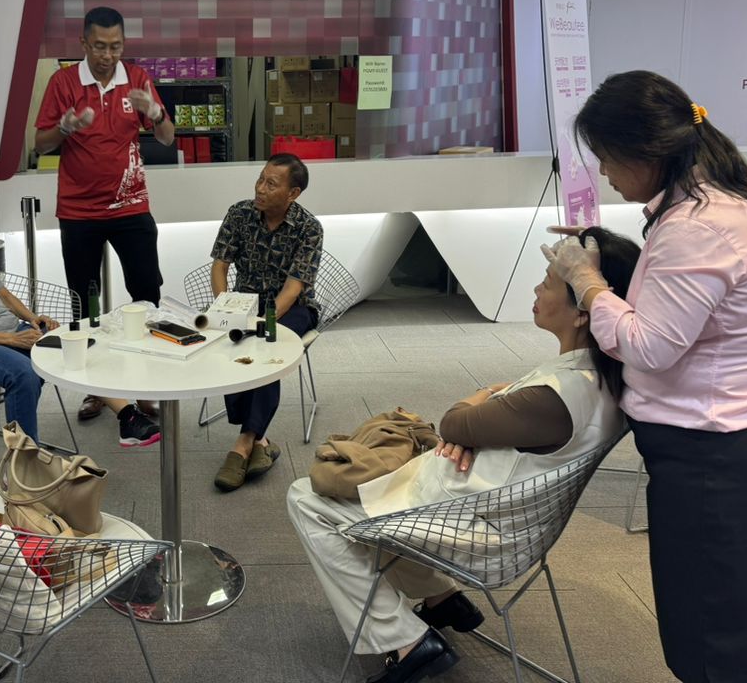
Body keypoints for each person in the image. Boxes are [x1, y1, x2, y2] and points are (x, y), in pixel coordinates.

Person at [544, 70, 747, 683]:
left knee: (722, 640)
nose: (605, 174)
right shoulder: (728, 204)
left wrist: (586, 281)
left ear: (646, 152)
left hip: (718, 463)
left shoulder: (698, 226)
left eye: (608, 158)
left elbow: (649, 346)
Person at [288, 226, 638, 683]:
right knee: (370, 485)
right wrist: (483, 418)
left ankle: (407, 643)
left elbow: (453, 422)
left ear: (582, 314)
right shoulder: (605, 383)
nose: (537, 289)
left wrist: (481, 398)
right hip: (498, 509)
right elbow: (480, 425)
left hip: (476, 524)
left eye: (548, 283)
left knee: (306, 499)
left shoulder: (554, 396)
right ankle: (441, 599)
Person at [0, 201, 158, 447]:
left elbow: (3, 294)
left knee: (78, 345)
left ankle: (128, 418)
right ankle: (25, 455)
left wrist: (31, 318)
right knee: (24, 373)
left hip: (10, 332)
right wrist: (12, 339)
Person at [35, 5, 170, 432]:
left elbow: (167, 137)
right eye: (99, 46)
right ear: (83, 43)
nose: (108, 55)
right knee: (85, 301)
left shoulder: (138, 78)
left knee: (146, 294)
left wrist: (155, 113)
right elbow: (40, 144)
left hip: (131, 207)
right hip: (79, 211)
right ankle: (96, 386)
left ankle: (146, 383)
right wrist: (66, 127)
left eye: (115, 46)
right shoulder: (63, 83)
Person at [209, 154, 322, 491]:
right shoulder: (239, 213)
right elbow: (220, 265)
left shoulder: (309, 228)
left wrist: (261, 321)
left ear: (293, 193)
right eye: (260, 179)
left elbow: (293, 287)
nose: (260, 188)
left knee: (267, 342)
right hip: (245, 301)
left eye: (271, 184)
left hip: (294, 308)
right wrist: (226, 306)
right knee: (229, 339)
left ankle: (244, 441)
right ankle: (261, 442)